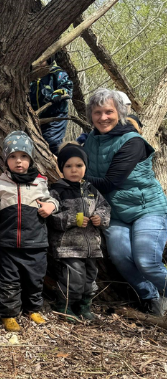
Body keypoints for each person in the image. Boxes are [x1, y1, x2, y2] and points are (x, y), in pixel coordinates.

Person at [83, 88, 167, 316]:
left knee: (147, 261)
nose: (103, 117)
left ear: (119, 112)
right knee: (120, 257)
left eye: (108, 111)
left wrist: (74, 177)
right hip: (114, 213)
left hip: (146, 209)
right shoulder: (91, 139)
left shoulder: (133, 142)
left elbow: (110, 182)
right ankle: (151, 297)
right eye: (97, 112)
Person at [0, 131, 59, 331]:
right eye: (13, 156)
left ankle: (32, 309)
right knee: (8, 281)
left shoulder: (40, 182)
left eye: (24, 156)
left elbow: (51, 200)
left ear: (31, 159)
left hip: (36, 243)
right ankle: (9, 314)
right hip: (8, 244)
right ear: (6, 160)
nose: (18, 161)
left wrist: (50, 206)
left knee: (35, 279)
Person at [48, 143, 110, 322]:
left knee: (90, 278)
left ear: (85, 167)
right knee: (72, 279)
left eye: (79, 165)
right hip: (69, 246)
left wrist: (100, 218)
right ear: (61, 168)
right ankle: (65, 306)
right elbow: (52, 217)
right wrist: (72, 220)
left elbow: (105, 207)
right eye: (68, 166)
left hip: (91, 245)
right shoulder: (57, 190)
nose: (74, 170)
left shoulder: (91, 190)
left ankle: (85, 306)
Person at [29, 58, 73, 154]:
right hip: (35, 117)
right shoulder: (30, 76)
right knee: (34, 143)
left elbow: (67, 86)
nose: (39, 62)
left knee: (52, 142)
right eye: (36, 58)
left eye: (42, 59)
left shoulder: (56, 72)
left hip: (56, 115)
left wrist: (59, 93)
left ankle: (59, 161)